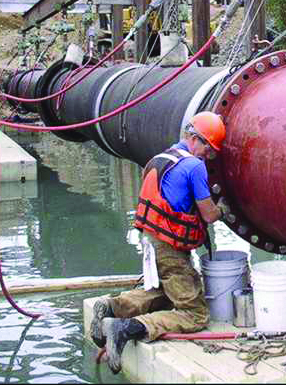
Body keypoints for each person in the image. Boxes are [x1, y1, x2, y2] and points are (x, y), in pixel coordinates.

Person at [90, 111, 228, 374]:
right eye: (210, 151)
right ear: (198, 140)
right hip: (169, 246)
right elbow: (209, 215)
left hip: (151, 239)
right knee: (194, 313)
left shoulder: (163, 157)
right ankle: (127, 327)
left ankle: (110, 306)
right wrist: (224, 208)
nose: (208, 158)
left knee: (167, 293)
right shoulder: (194, 167)